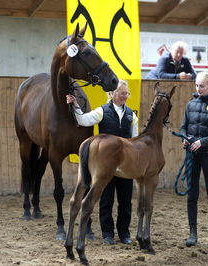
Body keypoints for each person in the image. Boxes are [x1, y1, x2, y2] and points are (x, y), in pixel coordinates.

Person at [66, 79, 138, 245]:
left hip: (125, 164)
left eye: (126, 93)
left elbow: (134, 140)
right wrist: (75, 104)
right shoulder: (102, 111)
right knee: (106, 199)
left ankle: (124, 233)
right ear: (112, 94)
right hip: (106, 164)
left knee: (125, 199)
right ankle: (107, 233)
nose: (124, 96)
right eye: (121, 93)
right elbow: (83, 120)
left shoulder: (131, 115)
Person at [179, 71, 208, 248]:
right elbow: (183, 127)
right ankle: (193, 233)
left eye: (202, 86)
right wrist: (184, 138)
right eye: (197, 85)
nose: (198, 88)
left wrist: (202, 142)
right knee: (192, 195)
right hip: (192, 155)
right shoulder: (190, 104)